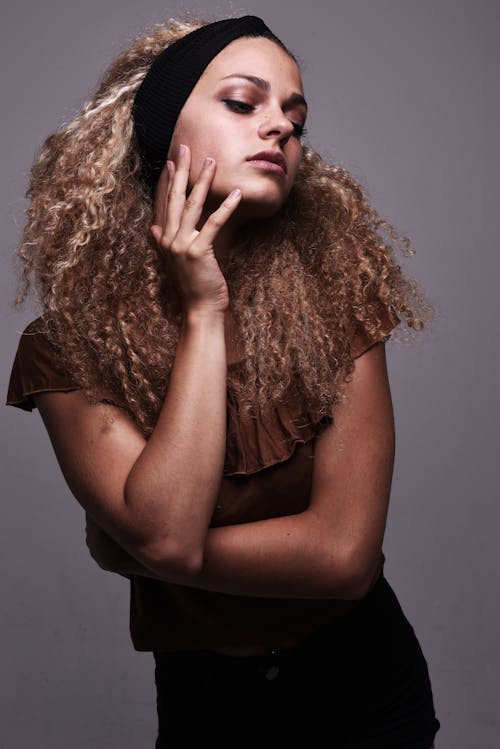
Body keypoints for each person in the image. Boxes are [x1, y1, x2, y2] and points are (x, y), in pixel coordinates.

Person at [6, 14, 441, 748]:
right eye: (245, 103)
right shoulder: (66, 349)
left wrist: (151, 553)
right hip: (205, 706)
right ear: (160, 129)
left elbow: (343, 556)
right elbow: (167, 531)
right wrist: (205, 312)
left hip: (366, 690)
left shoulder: (339, 296)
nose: (280, 127)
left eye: (295, 118)